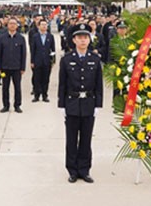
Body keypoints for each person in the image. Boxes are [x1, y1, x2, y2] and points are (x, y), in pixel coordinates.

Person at [58, 24, 103, 184]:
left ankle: (84, 170)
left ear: (89, 40)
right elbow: (62, 84)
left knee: (86, 139)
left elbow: (99, 84)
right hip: (72, 103)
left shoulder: (95, 59)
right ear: (74, 40)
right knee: (71, 139)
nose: (83, 40)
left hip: (89, 104)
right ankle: (72, 170)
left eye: (86, 37)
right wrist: (61, 105)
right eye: (80, 37)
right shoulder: (66, 60)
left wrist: (98, 105)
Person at [0, 18, 27, 113]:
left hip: (17, 68)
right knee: (5, 87)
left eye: (14, 24)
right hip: (5, 68)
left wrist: (23, 67)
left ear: (17, 26)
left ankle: (17, 105)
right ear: (7, 25)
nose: (12, 25)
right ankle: (6, 105)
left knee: (17, 87)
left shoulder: (21, 38)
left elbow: (23, 54)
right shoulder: (2, 37)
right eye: (10, 23)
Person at [30, 19, 56, 102]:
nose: (44, 26)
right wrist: (32, 61)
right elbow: (32, 50)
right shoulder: (35, 37)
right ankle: (36, 96)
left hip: (47, 61)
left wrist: (53, 61)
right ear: (39, 26)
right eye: (42, 24)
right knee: (37, 79)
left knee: (46, 79)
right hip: (37, 61)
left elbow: (53, 50)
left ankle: (45, 95)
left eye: (45, 25)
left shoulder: (50, 37)